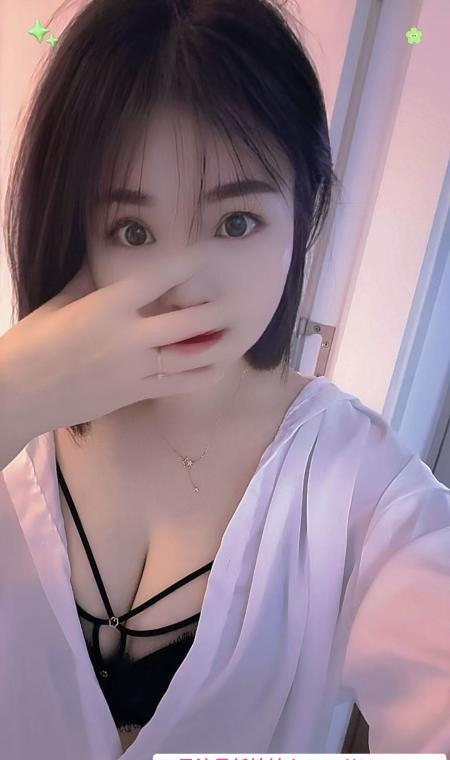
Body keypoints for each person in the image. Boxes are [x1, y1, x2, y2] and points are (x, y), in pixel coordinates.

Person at [1, 1, 450, 758]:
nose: (186, 287)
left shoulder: (365, 495)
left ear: (306, 212)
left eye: (236, 222)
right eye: (133, 231)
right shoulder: (18, 442)